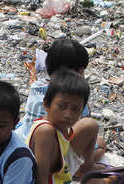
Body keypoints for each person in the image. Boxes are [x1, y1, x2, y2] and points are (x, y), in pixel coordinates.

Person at [26, 69, 124, 184]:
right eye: (62, 106)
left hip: (61, 174)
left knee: (90, 125)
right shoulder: (45, 131)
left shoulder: (57, 126)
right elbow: (40, 183)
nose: (68, 115)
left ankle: (86, 170)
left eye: (76, 109)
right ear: (46, 104)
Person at [17, 37, 106, 165]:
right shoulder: (74, 96)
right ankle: (80, 169)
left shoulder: (37, 86)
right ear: (79, 71)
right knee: (100, 143)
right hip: (52, 155)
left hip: (25, 142)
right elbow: (81, 125)